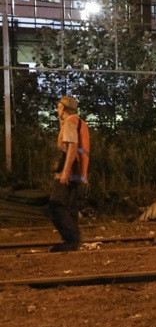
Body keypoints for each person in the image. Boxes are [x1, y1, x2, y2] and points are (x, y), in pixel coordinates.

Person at [48, 95, 88, 252]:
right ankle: (73, 240)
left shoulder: (70, 123)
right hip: (78, 171)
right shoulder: (79, 123)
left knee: (55, 205)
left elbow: (72, 148)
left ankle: (71, 239)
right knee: (70, 206)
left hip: (70, 170)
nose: (57, 109)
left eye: (58, 107)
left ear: (62, 108)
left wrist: (64, 172)